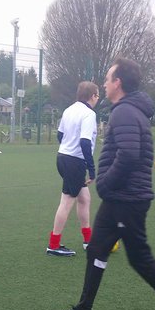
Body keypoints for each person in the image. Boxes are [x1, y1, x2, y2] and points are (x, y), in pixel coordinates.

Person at [50, 58, 155, 310]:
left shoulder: (125, 112)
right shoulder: (127, 110)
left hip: (128, 199)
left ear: (119, 83)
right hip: (121, 198)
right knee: (97, 250)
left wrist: (104, 183)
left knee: (139, 257)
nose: (103, 83)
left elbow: (128, 154)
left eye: (108, 78)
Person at [47, 81, 100, 256]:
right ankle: (53, 245)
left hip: (62, 158)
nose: (98, 98)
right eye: (97, 95)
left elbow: (60, 135)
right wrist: (91, 169)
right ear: (93, 96)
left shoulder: (69, 110)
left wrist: (68, 149)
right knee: (67, 201)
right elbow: (85, 142)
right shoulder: (89, 114)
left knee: (84, 198)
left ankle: (88, 240)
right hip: (74, 162)